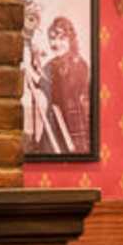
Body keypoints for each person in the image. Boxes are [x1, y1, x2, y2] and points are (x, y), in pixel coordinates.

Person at [28, 9, 91, 155]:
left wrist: (37, 76)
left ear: (71, 40)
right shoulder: (51, 64)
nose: (56, 43)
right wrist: (34, 65)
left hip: (71, 124)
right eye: (52, 38)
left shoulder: (79, 64)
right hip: (53, 121)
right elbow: (40, 84)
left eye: (62, 39)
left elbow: (60, 93)